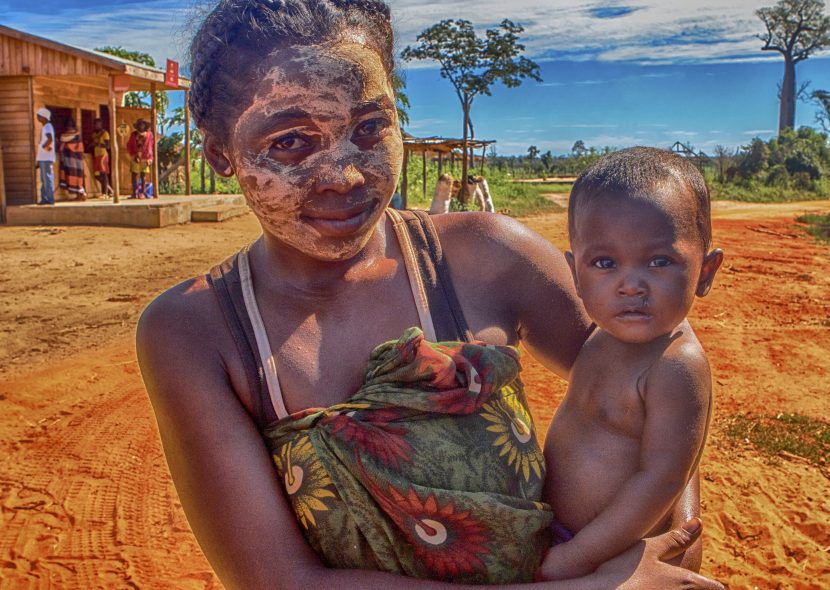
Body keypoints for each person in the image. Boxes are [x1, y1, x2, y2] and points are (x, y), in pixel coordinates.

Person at [137, 1, 723, 588]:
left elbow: (662, 360)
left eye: (370, 128)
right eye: (292, 142)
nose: (344, 175)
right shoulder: (196, 331)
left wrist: (673, 540)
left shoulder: (484, 256)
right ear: (219, 151)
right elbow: (280, 581)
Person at [539, 147, 723, 580]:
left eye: (660, 261)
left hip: (616, 560)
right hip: (560, 535)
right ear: (576, 274)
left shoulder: (675, 366)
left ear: (706, 271)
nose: (630, 285)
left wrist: (579, 556)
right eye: (605, 263)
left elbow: (660, 481)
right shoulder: (603, 334)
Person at [58, 121, 87, 201]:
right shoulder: (78, 135)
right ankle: (81, 194)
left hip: (70, 160)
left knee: (72, 177)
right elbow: (80, 147)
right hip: (78, 160)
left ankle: (81, 194)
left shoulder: (65, 136)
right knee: (79, 177)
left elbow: (61, 146)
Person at [127, 118, 154, 198]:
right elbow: (129, 145)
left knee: (143, 175)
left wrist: (150, 157)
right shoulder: (134, 134)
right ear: (137, 126)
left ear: (145, 126)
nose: (141, 126)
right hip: (136, 156)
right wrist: (133, 155)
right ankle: (134, 193)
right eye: (140, 124)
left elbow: (151, 146)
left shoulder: (149, 134)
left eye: (143, 124)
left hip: (145, 157)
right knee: (134, 175)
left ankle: (142, 192)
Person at [35, 107, 56, 205]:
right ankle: (44, 198)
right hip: (43, 158)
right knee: (44, 180)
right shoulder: (46, 127)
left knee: (47, 178)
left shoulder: (47, 126)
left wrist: (44, 147)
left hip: (46, 158)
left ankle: (50, 199)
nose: (37, 117)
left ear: (44, 117)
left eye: (39, 116)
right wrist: (38, 160)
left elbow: (50, 139)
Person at [92, 118, 114, 197]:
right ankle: (109, 189)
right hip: (96, 155)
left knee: (103, 174)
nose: (96, 126)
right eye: (95, 124)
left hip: (103, 155)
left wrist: (98, 145)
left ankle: (104, 193)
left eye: (98, 124)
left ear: (101, 125)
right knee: (97, 175)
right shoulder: (94, 134)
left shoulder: (105, 133)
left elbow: (108, 146)